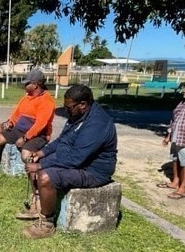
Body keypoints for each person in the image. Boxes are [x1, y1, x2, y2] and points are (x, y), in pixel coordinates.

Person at [22, 84, 118, 239]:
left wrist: (41, 165)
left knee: (45, 176)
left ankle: (47, 223)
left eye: (69, 108)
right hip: (77, 162)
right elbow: (62, 140)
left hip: (93, 171)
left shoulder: (97, 124)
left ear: (83, 104)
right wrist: (41, 153)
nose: (66, 111)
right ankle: (38, 205)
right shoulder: (77, 116)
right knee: (33, 162)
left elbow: (76, 158)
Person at [0, 68, 55, 176]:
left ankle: (37, 178)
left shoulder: (46, 101)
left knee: (26, 154)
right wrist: (10, 122)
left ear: (35, 84)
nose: (24, 86)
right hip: (20, 130)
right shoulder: (27, 98)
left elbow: (41, 124)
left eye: (26, 83)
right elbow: (16, 113)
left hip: (38, 135)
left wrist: (25, 138)